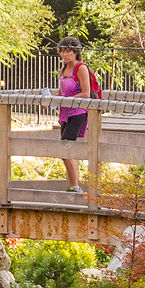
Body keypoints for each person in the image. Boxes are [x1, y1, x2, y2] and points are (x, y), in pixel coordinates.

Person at [56, 37, 92, 193]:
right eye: (63, 51)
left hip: (78, 113)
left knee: (65, 149)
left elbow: (86, 93)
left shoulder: (81, 68)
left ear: (75, 51)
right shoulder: (64, 69)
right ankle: (73, 184)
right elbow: (61, 92)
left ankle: (75, 187)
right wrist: (51, 99)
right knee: (67, 150)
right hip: (65, 113)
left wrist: (69, 99)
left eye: (68, 50)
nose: (65, 54)